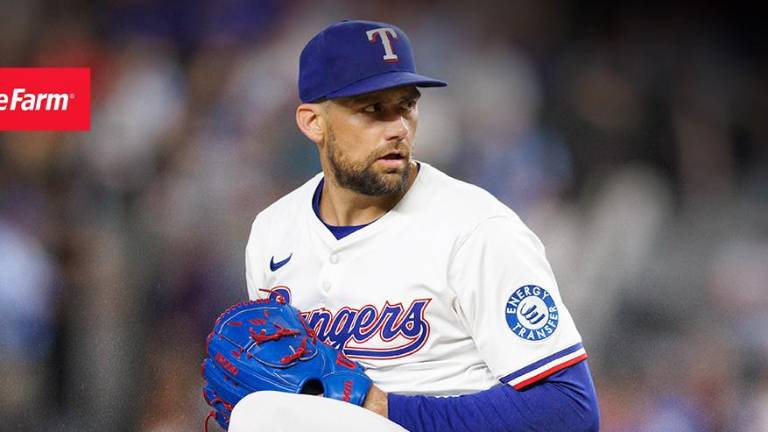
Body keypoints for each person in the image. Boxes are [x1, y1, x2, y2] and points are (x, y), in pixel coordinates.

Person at [235, 19, 599, 431]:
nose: (398, 128)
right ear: (312, 122)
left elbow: (569, 408)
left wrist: (383, 409)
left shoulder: (478, 230)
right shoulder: (273, 232)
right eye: (373, 110)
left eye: (406, 105)